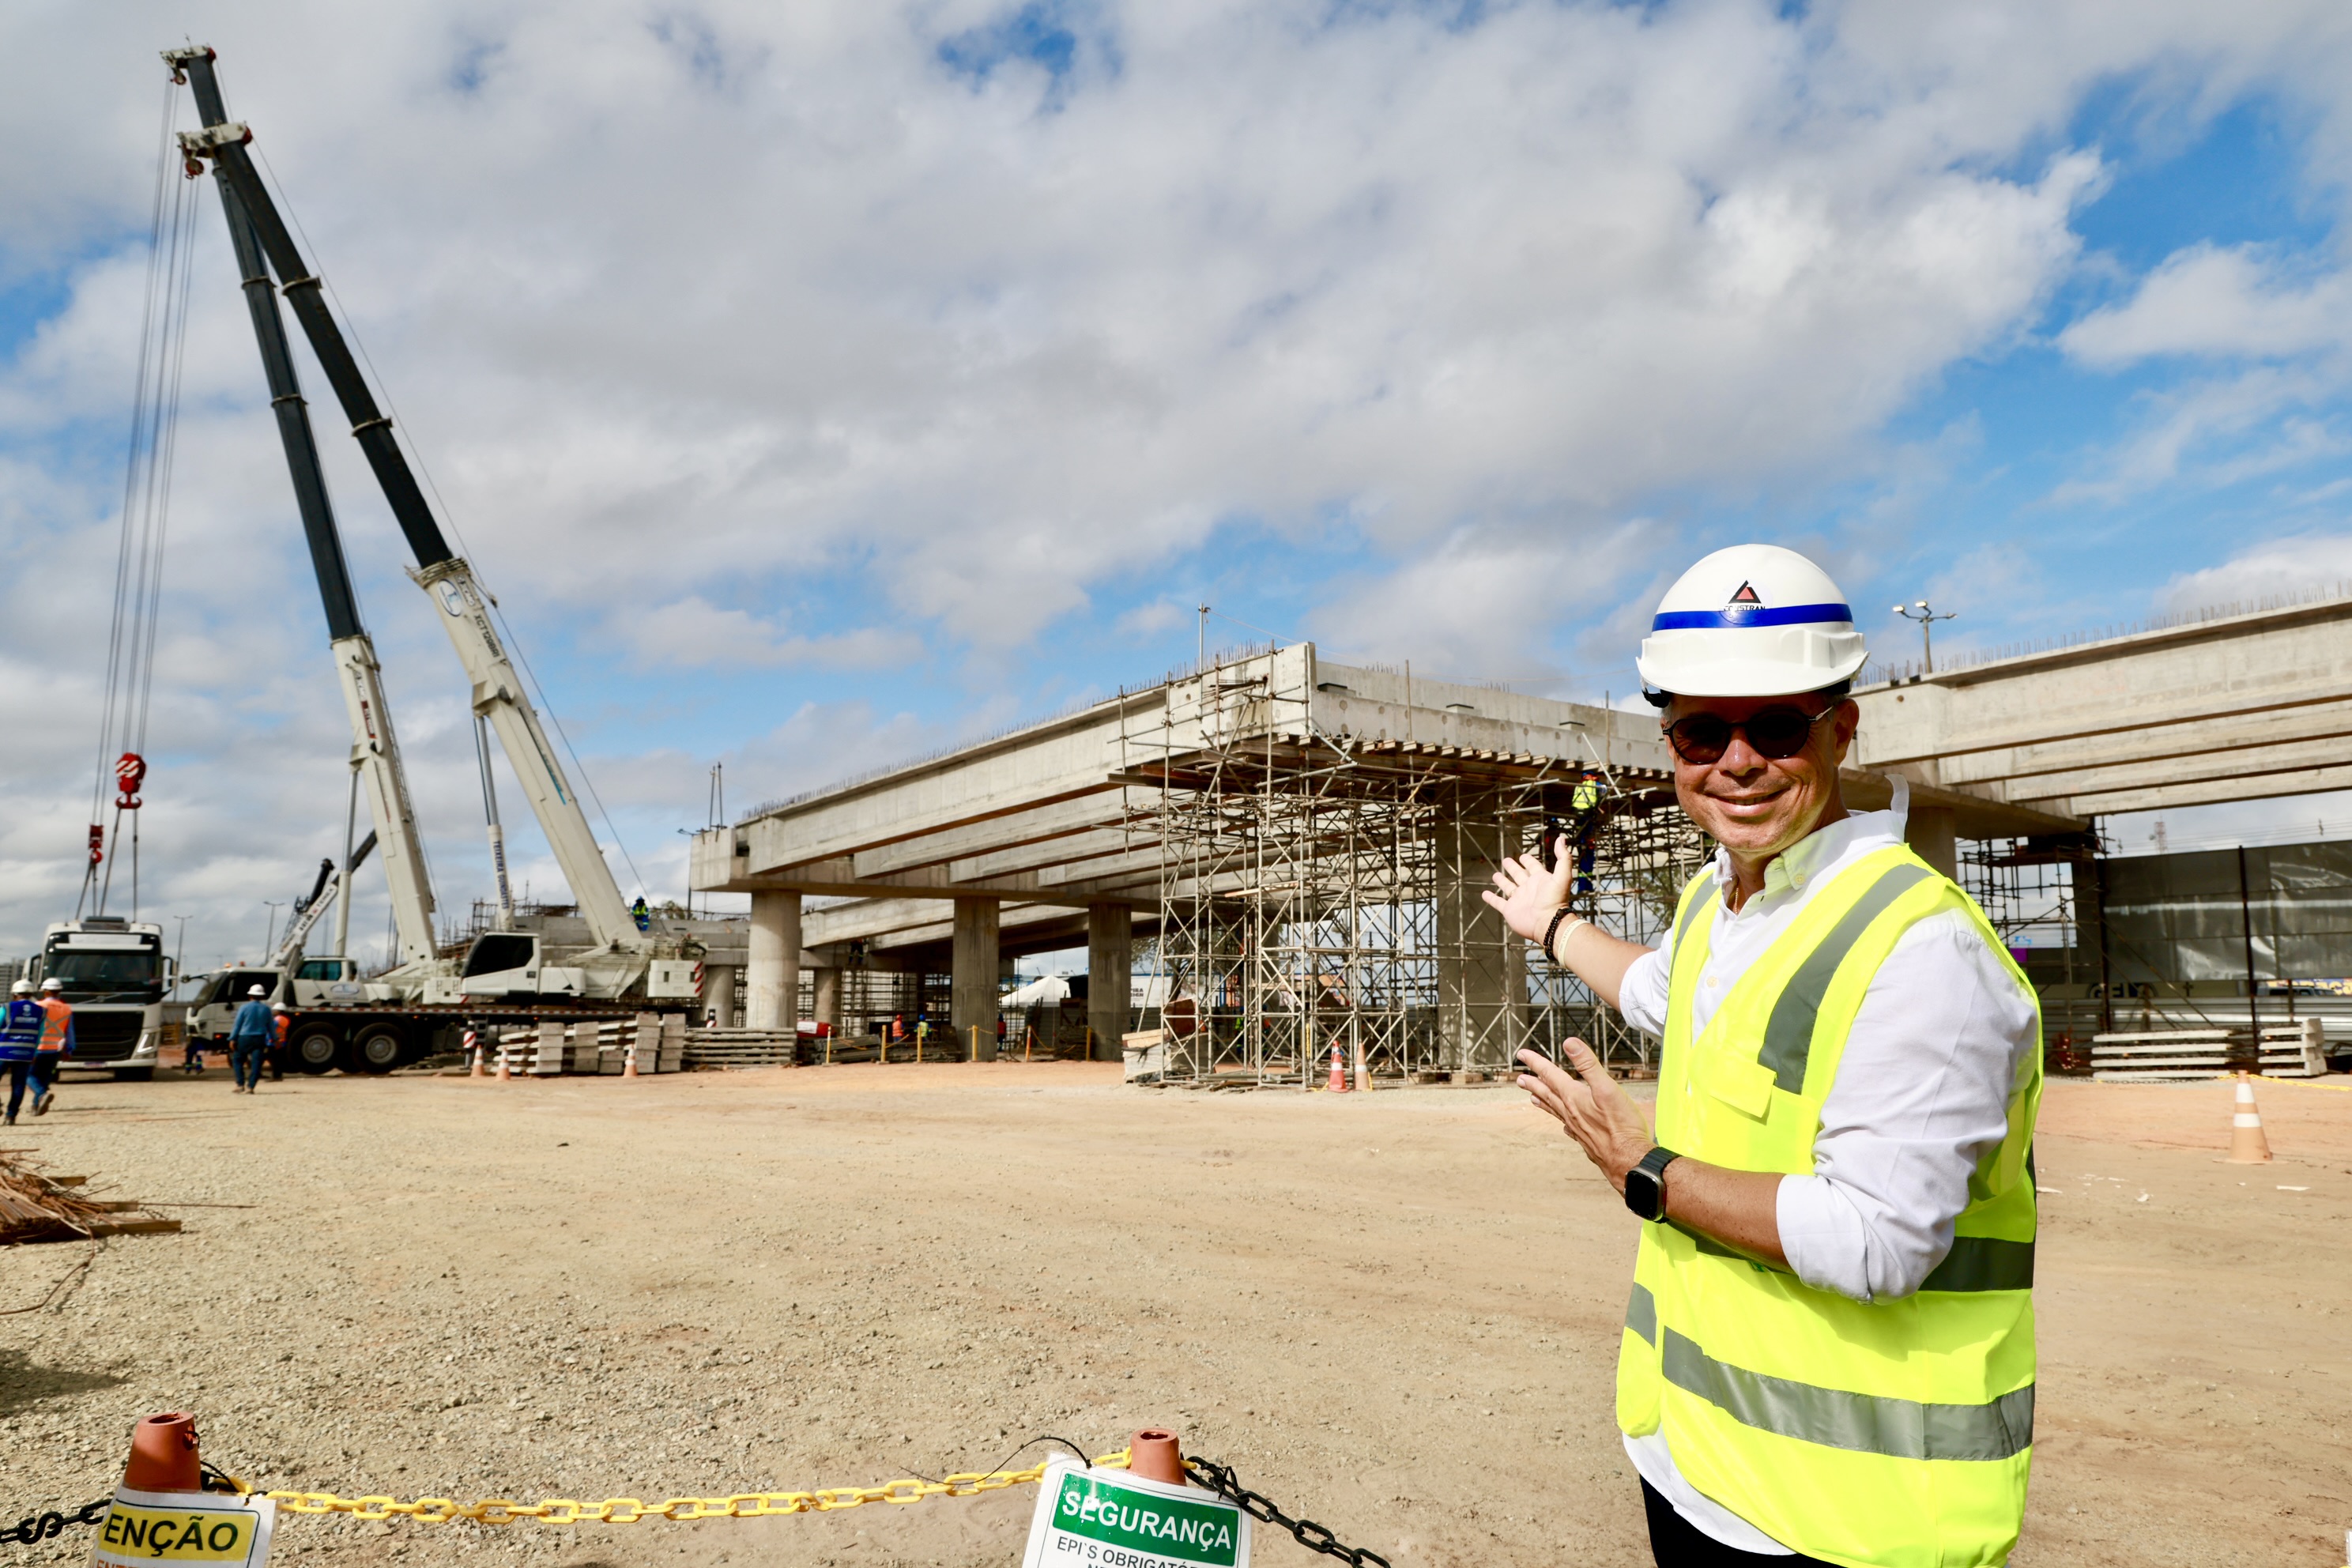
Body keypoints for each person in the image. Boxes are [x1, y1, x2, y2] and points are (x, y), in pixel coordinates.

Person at [1482, 544, 2041, 1567]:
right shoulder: (1717, 901)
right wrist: (1555, 927)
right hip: (1696, 1471)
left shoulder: (1919, 946)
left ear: (1842, 727)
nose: (1736, 761)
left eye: (1775, 727)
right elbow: (1661, 989)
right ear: (1670, 743)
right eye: (1702, 732)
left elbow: (1879, 1238)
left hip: (1852, 1521)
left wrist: (1644, 1169)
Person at [28, 978, 75, 1118]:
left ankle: (42, 1094)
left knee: (29, 1075)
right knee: (44, 1078)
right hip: (55, 1049)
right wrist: (69, 1049)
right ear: (59, 992)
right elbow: (70, 1032)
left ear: (46, 992)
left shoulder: (38, 1006)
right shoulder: (66, 1008)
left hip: (38, 1048)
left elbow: (33, 1028)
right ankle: (36, 1107)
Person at [2, 979, 42, 1125]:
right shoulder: (40, 1011)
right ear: (31, 994)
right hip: (25, 1053)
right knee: (18, 1085)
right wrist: (34, 1053)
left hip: (4, 1052)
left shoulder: (7, 1007)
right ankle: (11, 1116)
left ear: (14, 994)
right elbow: (39, 1033)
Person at [228, 984, 273, 1095]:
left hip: (245, 1038)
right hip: (260, 1039)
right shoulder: (266, 1009)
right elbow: (271, 1026)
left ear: (250, 996)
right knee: (257, 1063)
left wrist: (232, 1038)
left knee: (238, 1060)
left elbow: (237, 1025)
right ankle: (251, 1087)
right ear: (262, 997)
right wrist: (275, 1039)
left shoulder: (244, 1008)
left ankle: (240, 1084)